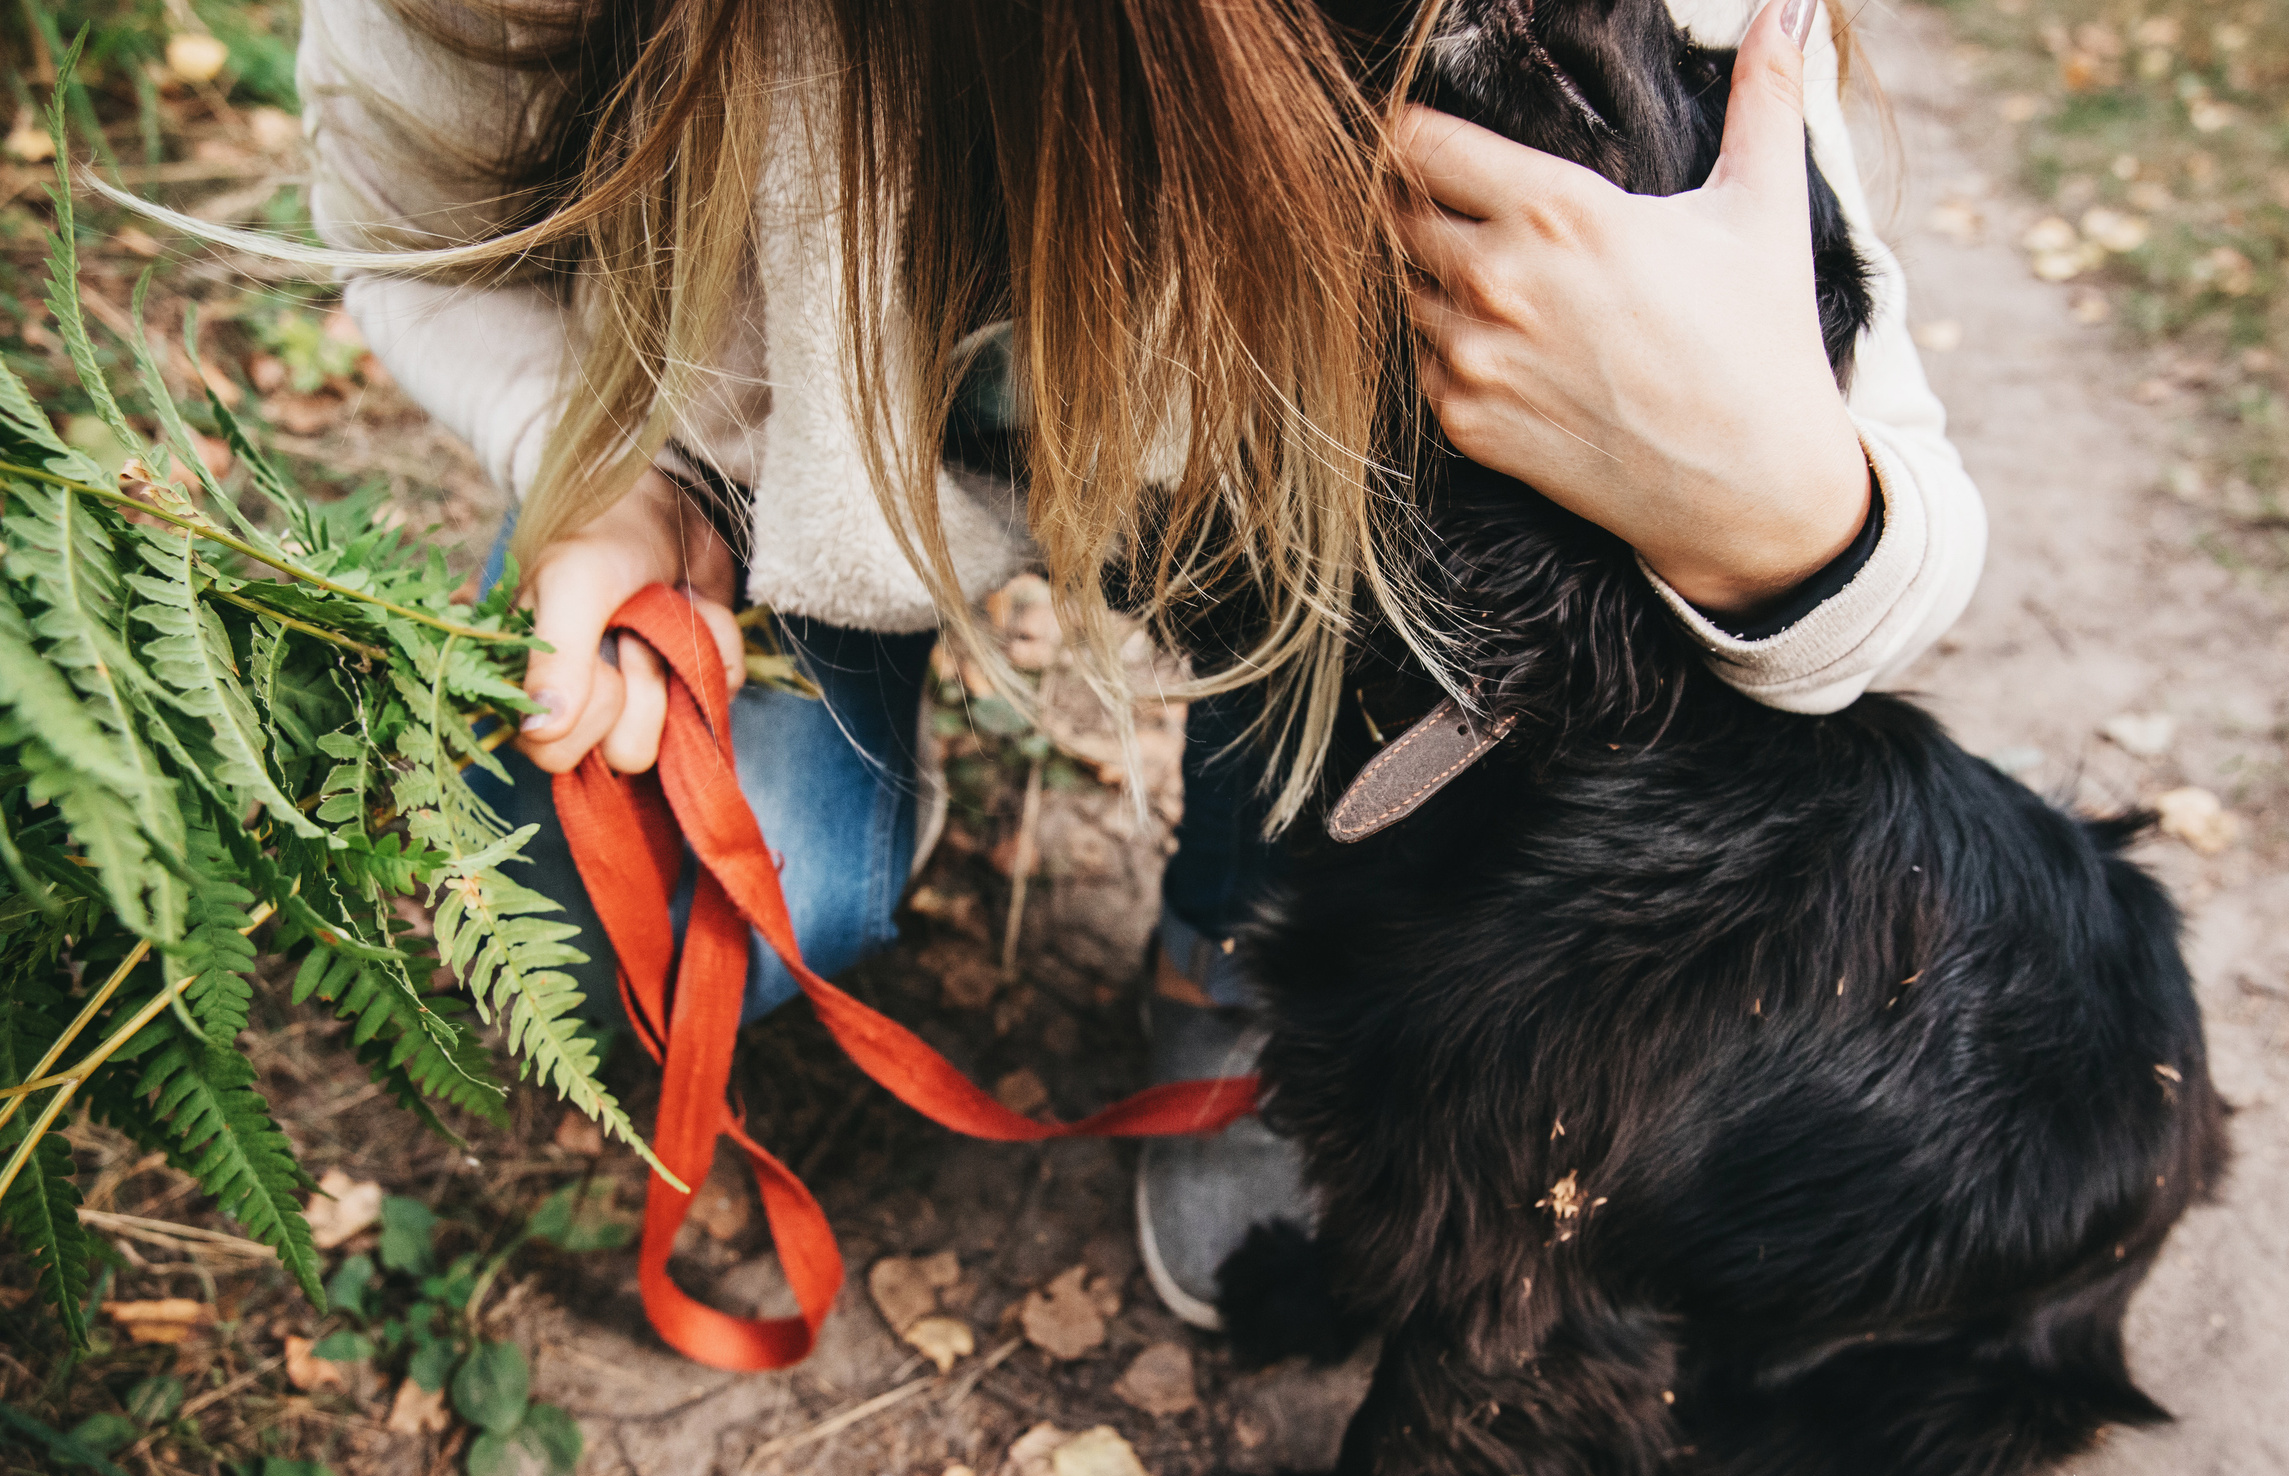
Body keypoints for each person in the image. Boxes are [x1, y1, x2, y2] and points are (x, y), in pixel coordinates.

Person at [294, 0, 1985, 1330]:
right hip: (764, 459)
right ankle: (858, 706)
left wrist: (1760, 499)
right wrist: (619, 468)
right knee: (654, 916)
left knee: (1438, 536)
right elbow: (392, 203)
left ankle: (1233, 948)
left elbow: (1895, 542)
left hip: (1293, 501)